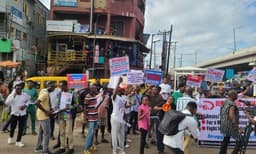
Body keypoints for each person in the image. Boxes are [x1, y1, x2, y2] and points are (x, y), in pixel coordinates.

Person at [54, 80, 77, 154]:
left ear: (66, 86)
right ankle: (62, 147)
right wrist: (56, 111)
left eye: (62, 86)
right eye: (60, 86)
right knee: (62, 132)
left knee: (69, 132)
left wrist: (68, 107)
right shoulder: (60, 93)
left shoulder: (72, 93)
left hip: (68, 114)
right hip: (60, 114)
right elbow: (57, 103)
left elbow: (76, 104)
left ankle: (71, 147)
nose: (61, 88)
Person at [6, 81, 30, 147]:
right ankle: (10, 137)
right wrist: (14, 95)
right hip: (14, 114)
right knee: (12, 127)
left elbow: (29, 100)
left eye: (20, 88)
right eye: (17, 89)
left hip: (22, 114)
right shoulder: (12, 95)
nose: (19, 90)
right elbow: (7, 103)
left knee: (21, 128)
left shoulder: (25, 95)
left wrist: (25, 106)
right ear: (15, 89)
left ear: (22, 88)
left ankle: (18, 141)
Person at [34, 81, 56, 154]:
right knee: (47, 133)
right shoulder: (45, 93)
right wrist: (46, 111)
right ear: (50, 86)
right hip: (44, 116)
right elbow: (36, 102)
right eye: (53, 87)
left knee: (41, 132)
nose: (54, 88)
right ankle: (45, 150)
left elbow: (44, 103)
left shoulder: (44, 91)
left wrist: (50, 109)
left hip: (41, 115)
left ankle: (38, 147)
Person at [219, 90, 241, 154]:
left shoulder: (225, 102)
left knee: (226, 139)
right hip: (230, 125)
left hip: (224, 124)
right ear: (233, 95)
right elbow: (232, 116)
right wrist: (237, 127)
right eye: (236, 94)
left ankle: (222, 152)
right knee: (240, 139)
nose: (237, 96)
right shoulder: (232, 104)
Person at [176, 87, 196, 154]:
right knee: (186, 140)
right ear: (190, 92)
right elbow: (194, 112)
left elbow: (177, 111)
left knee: (180, 139)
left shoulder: (179, 99)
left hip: (180, 121)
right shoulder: (192, 100)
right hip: (189, 121)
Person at [111, 78, 127, 154]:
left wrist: (130, 105)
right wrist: (118, 82)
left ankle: (121, 150)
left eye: (122, 90)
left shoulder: (124, 97)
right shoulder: (114, 97)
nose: (121, 91)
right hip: (115, 119)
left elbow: (124, 107)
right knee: (114, 136)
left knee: (122, 136)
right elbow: (114, 93)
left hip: (122, 120)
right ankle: (114, 151)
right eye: (120, 90)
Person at [83, 84, 100, 154]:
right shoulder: (87, 97)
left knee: (93, 133)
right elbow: (85, 108)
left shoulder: (95, 96)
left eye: (96, 88)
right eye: (95, 89)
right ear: (91, 89)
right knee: (90, 133)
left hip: (95, 117)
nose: (96, 90)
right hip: (91, 118)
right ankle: (86, 149)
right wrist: (85, 118)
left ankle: (91, 146)